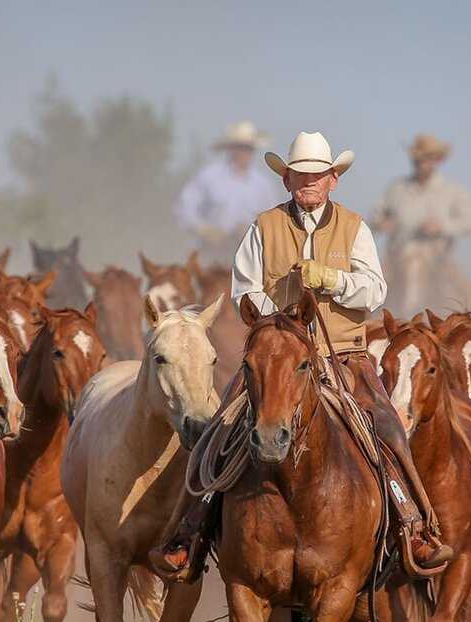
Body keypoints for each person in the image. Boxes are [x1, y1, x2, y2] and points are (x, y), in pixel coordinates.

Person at [150, 130, 453, 582]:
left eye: (317, 175)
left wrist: (332, 279)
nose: (308, 182)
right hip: (277, 356)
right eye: (300, 175)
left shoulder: (355, 227)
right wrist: (281, 322)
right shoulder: (263, 227)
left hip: (344, 355)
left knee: (388, 427)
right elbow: (244, 291)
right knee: (223, 428)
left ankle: (414, 525)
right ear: (287, 179)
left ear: (333, 180)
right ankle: (188, 533)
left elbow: (375, 290)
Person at [373, 134, 471, 316]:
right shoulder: (396, 188)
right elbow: (376, 216)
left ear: (438, 160)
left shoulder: (452, 191)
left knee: (470, 301)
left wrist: (442, 226)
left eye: (428, 158)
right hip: (397, 256)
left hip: (437, 257)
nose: (422, 162)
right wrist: (382, 222)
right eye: (418, 158)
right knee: (368, 294)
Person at [174, 121, 281, 264]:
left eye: (248, 148)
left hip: (249, 256)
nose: (245, 152)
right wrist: (205, 230)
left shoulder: (262, 185)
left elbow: (273, 221)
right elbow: (184, 208)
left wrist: (251, 231)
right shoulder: (208, 176)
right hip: (210, 252)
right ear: (231, 148)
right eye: (241, 147)